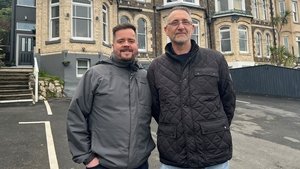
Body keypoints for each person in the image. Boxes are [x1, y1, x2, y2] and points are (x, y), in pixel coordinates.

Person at [147, 7, 236, 169]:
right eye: (174, 23)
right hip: (174, 156)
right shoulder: (156, 67)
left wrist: (214, 127)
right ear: (166, 30)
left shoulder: (215, 59)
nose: (180, 26)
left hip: (213, 153)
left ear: (192, 28)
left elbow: (228, 101)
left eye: (185, 22)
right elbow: (156, 107)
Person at [67, 23, 155, 169]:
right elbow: (76, 115)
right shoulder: (95, 74)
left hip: (140, 164)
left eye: (131, 41)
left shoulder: (145, 77)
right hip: (103, 165)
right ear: (113, 45)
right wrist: (87, 158)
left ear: (137, 45)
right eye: (121, 41)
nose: (126, 45)